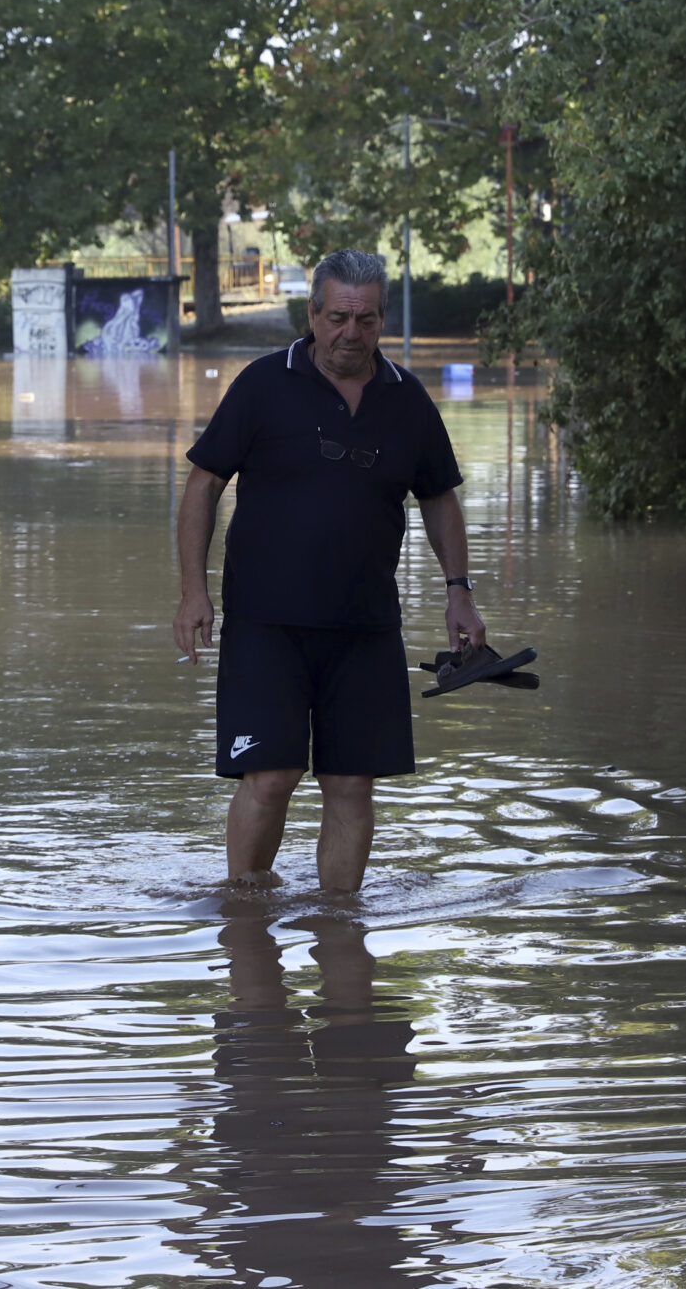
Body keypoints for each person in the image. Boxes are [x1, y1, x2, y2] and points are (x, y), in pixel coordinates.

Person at [171, 248, 485, 893]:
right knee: (271, 775)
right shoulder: (263, 384)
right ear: (312, 314)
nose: (352, 333)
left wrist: (459, 592)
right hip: (265, 622)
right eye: (339, 317)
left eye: (366, 320)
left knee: (351, 783)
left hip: (365, 626)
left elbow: (439, 497)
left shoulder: (407, 398)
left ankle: (341, 925)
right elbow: (203, 485)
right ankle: (246, 915)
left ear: (381, 321)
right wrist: (192, 592)